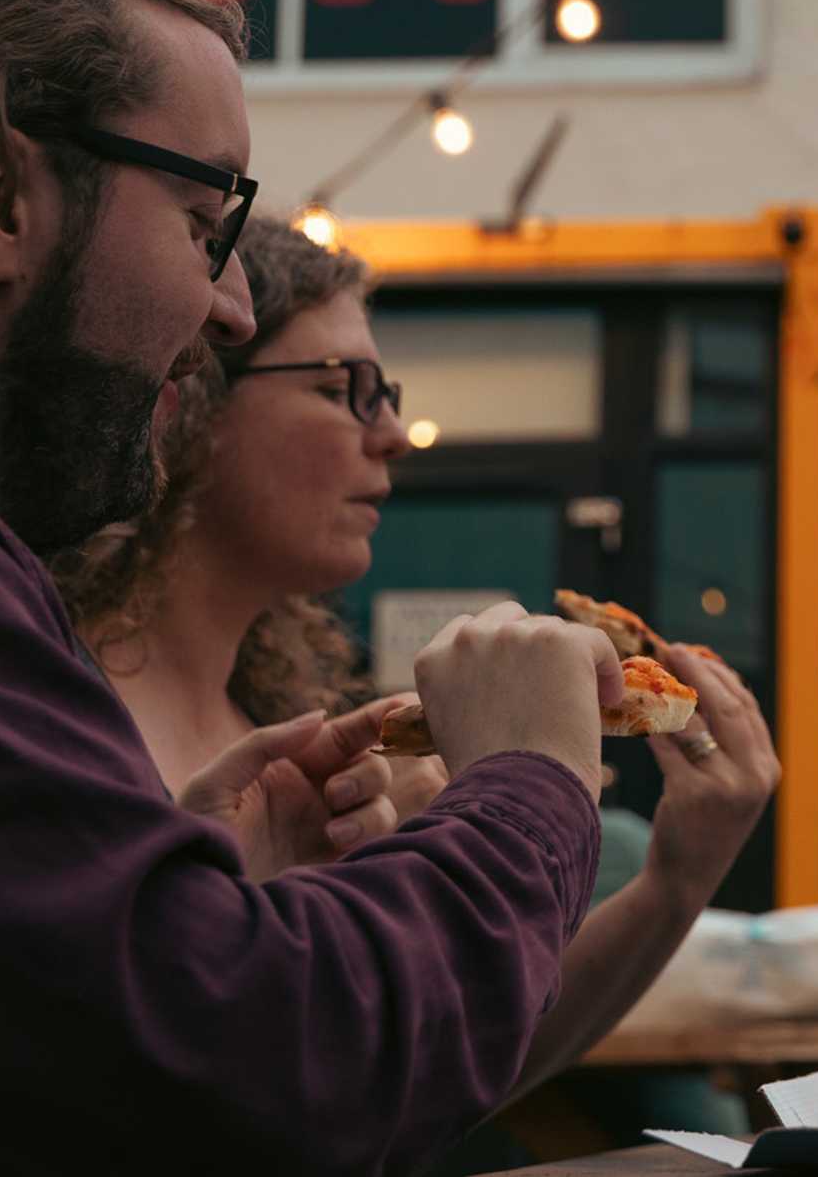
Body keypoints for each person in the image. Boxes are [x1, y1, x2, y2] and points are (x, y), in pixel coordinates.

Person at [0, 0, 628, 1175]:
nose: (231, 307)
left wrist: (170, 896)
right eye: (203, 217)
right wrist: (532, 788)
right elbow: (258, 1077)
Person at [61, 214, 779, 1105]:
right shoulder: (64, 709)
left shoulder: (291, 728)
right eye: (344, 389)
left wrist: (681, 876)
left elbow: (434, 1070)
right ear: (189, 401)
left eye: (387, 391)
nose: (395, 433)